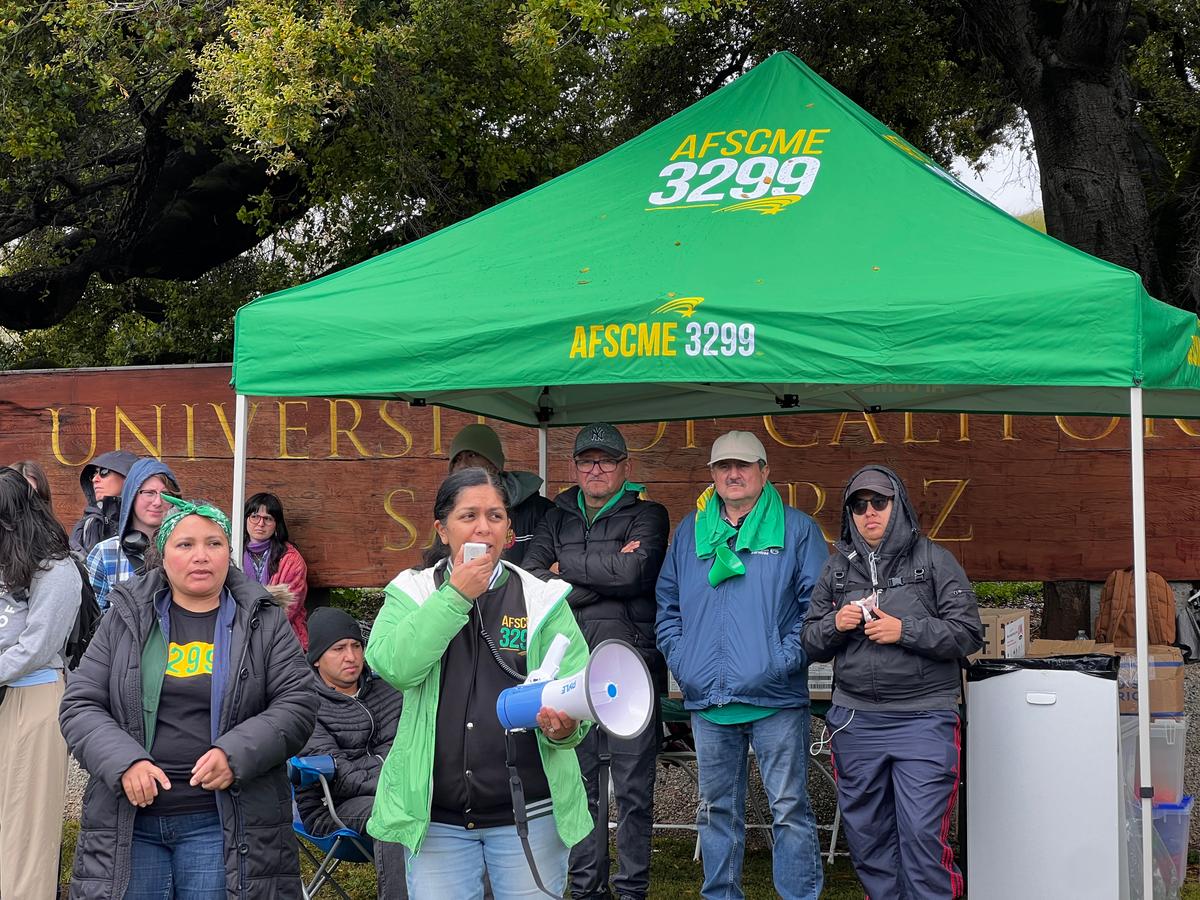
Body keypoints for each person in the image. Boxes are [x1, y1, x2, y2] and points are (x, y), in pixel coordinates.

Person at [60, 494, 316, 899]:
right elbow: (80, 704)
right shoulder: (125, 617)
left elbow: (297, 703)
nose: (201, 555)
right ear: (162, 555)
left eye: (214, 543)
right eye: (185, 544)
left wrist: (235, 754)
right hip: (130, 823)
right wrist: (125, 762)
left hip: (222, 824)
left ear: (229, 552)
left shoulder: (263, 619)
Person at [364, 468, 593, 899]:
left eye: (496, 516)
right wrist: (455, 596)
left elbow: (578, 687)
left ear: (509, 531)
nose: (483, 527)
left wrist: (566, 729)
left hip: (530, 814)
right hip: (438, 819)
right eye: (469, 515)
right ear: (442, 529)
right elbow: (395, 666)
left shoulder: (541, 598)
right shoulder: (412, 592)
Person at [655, 430, 828, 900]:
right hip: (709, 700)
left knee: (788, 809)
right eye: (723, 466)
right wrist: (684, 660)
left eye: (744, 465)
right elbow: (667, 605)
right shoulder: (690, 530)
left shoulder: (797, 529)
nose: (733, 474)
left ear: (764, 471)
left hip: (775, 697)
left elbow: (818, 608)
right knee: (715, 811)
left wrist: (780, 661)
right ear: (712, 474)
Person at [800, 465, 983, 899]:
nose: (869, 512)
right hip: (855, 722)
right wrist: (834, 625)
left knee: (922, 837)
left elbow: (968, 633)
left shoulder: (934, 560)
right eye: (858, 505)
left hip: (924, 718)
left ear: (898, 504)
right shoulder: (836, 569)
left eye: (879, 502)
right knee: (869, 843)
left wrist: (906, 630)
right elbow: (809, 641)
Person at [523, 423, 669, 900]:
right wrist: (607, 573)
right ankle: (587, 889)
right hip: (570, 669)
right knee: (579, 786)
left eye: (606, 460)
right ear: (575, 467)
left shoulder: (649, 514)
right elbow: (535, 581)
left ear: (626, 466)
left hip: (630, 666)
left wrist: (567, 570)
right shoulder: (555, 517)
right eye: (587, 461)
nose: (596, 469)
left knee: (632, 789)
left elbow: (634, 573)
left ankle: (631, 891)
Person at [0, 467, 82, 899]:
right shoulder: (5, 559)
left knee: (26, 828)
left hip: (32, 696)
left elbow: (37, 646)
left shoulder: (57, 569)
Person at [297, 607, 407, 898]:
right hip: (332, 807)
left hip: (400, 792)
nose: (351, 656)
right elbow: (340, 776)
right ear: (317, 658)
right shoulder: (304, 704)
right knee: (393, 814)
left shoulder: (389, 690)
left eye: (356, 646)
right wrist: (397, 790)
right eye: (338, 649)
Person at [448, 423, 553, 566]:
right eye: (457, 459)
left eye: (472, 455)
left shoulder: (538, 511)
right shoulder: (449, 512)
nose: (463, 464)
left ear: (494, 465)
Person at [84, 457, 179, 610]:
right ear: (131, 495)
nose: (157, 502)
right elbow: (94, 618)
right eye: (149, 493)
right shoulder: (104, 553)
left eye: (166, 494)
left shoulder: (185, 550)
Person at [244, 492, 310, 649]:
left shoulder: (292, 560)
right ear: (245, 519)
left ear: (276, 524)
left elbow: (289, 607)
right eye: (255, 516)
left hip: (283, 639)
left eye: (267, 518)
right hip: (242, 636)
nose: (260, 523)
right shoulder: (231, 553)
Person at [70, 449, 139, 553]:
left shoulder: (146, 517)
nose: (95, 479)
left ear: (127, 477)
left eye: (104, 472)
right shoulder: (88, 524)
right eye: (94, 474)